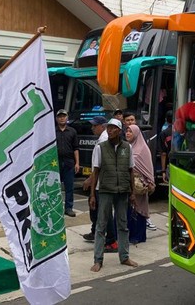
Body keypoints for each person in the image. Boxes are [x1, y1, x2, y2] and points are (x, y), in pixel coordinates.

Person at [89, 118, 139, 272]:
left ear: (119, 131)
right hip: (105, 190)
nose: (109, 131)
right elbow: (95, 171)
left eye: (113, 128)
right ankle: (98, 260)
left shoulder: (127, 148)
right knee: (101, 225)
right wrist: (92, 195)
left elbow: (131, 170)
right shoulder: (101, 147)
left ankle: (124, 256)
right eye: (108, 128)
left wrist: (133, 193)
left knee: (122, 225)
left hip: (123, 191)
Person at [81, 116, 117, 253]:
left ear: (102, 126)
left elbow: (101, 165)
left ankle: (111, 241)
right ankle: (96, 232)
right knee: (95, 208)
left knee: (105, 212)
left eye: (94, 126)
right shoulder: (102, 139)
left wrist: (90, 179)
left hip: (103, 183)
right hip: (100, 183)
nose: (92, 128)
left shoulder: (104, 141)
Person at [125, 124, 156, 243]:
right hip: (129, 184)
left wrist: (150, 181)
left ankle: (138, 236)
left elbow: (148, 168)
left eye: (130, 132)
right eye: (127, 131)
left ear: (136, 134)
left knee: (139, 209)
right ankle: (131, 235)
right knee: (129, 209)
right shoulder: (128, 147)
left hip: (140, 185)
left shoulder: (143, 149)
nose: (127, 134)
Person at [55, 109, 80, 217]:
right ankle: (55, 207)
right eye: (60, 116)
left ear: (67, 118)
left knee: (69, 187)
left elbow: (76, 148)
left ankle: (69, 208)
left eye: (63, 116)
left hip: (69, 162)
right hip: (55, 162)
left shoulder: (72, 131)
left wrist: (77, 163)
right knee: (55, 187)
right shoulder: (52, 131)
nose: (62, 118)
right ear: (56, 119)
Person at [157, 110, 173, 184]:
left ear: (166, 119)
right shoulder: (182, 131)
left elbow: (163, 154)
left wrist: (163, 171)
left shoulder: (164, 133)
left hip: (170, 165)